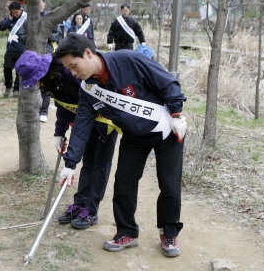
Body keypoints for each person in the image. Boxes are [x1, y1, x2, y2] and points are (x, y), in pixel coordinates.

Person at [54, 33, 187, 258]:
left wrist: (175, 112)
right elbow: (81, 127)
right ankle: (127, 232)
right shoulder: (87, 90)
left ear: (88, 53)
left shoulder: (129, 60)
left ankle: (169, 231)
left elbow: (167, 81)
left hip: (166, 129)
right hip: (134, 136)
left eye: (74, 66)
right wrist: (71, 163)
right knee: (124, 183)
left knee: (169, 184)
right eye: (69, 69)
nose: (74, 73)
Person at [15, 51, 118, 229]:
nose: (36, 84)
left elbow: (95, 97)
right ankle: (80, 203)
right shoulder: (51, 83)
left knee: (99, 165)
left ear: (42, 73)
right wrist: (59, 131)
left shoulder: (69, 74)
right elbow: (63, 106)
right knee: (87, 163)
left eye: (35, 79)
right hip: (83, 125)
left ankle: (91, 210)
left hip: (104, 121)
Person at [39, 0, 62, 122]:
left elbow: (58, 35)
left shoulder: (51, 18)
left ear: (44, 3)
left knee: (46, 83)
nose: (38, 5)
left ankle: (43, 111)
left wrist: (44, 36)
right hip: (34, 54)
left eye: (40, 2)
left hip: (48, 54)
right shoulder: (29, 18)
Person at [0, 1, 27, 98]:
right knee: (7, 68)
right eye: (12, 12)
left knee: (20, 70)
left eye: (16, 12)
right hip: (10, 49)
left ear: (21, 9)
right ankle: (8, 86)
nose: (14, 14)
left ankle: (16, 89)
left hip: (22, 49)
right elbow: (1, 27)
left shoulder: (26, 18)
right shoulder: (10, 18)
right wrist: (8, 20)